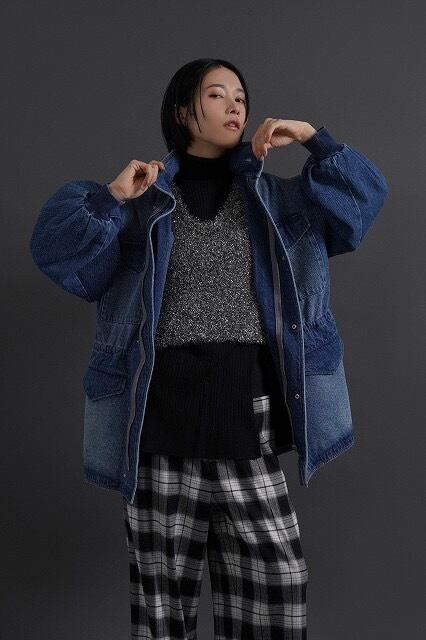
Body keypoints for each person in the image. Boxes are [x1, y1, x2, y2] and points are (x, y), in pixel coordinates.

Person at [29, 57, 388, 639]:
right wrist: (111, 198)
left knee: (279, 585)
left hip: (247, 420)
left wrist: (314, 139)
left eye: (240, 96)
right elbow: (56, 253)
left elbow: (363, 203)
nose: (235, 105)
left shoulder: (281, 200)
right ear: (182, 111)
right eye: (217, 94)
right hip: (159, 428)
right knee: (161, 610)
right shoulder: (143, 204)